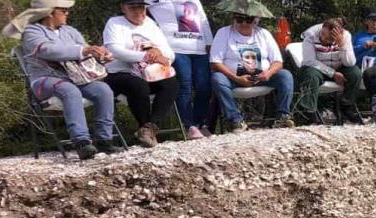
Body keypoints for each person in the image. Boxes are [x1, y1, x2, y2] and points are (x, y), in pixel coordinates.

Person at [5, 0, 118, 159]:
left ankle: (104, 140)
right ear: (49, 13)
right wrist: (84, 50)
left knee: (103, 90)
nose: (67, 13)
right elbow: (48, 50)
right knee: (69, 90)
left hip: (75, 77)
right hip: (44, 79)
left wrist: (100, 55)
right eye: (63, 10)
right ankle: (82, 142)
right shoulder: (32, 32)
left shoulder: (70, 31)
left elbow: (85, 51)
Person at [103, 0, 179, 148]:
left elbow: (168, 52)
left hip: (149, 72)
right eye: (133, 7)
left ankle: (149, 128)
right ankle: (144, 127)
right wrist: (145, 56)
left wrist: (163, 57)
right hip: (120, 72)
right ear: (123, 8)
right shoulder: (115, 23)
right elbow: (115, 51)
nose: (138, 10)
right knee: (137, 85)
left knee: (171, 83)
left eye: (141, 7)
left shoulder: (150, 23)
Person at [209, 0, 294, 132]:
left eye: (248, 20)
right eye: (239, 19)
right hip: (234, 79)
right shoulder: (224, 33)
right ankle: (235, 120)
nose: (243, 23)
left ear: (256, 20)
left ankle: (283, 117)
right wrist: (236, 78)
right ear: (233, 19)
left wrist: (268, 73)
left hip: (262, 78)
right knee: (217, 78)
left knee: (286, 75)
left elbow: (278, 62)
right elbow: (215, 62)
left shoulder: (264, 34)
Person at [147, 0, 215, 139]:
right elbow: (141, 11)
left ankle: (200, 123)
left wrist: (210, 42)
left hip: (199, 48)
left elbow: (203, 20)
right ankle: (189, 125)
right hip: (175, 48)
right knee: (185, 85)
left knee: (204, 87)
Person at [299, 17, 362, 124]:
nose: (323, 38)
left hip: (339, 66)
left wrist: (342, 45)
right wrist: (332, 73)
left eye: (328, 39)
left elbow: (350, 63)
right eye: (322, 34)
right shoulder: (310, 35)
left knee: (355, 73)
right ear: (322, 28)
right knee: (310, 74)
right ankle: (309, 111)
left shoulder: (345, 36)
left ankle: (346, 106)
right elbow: (309, 61)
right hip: (318, 68)